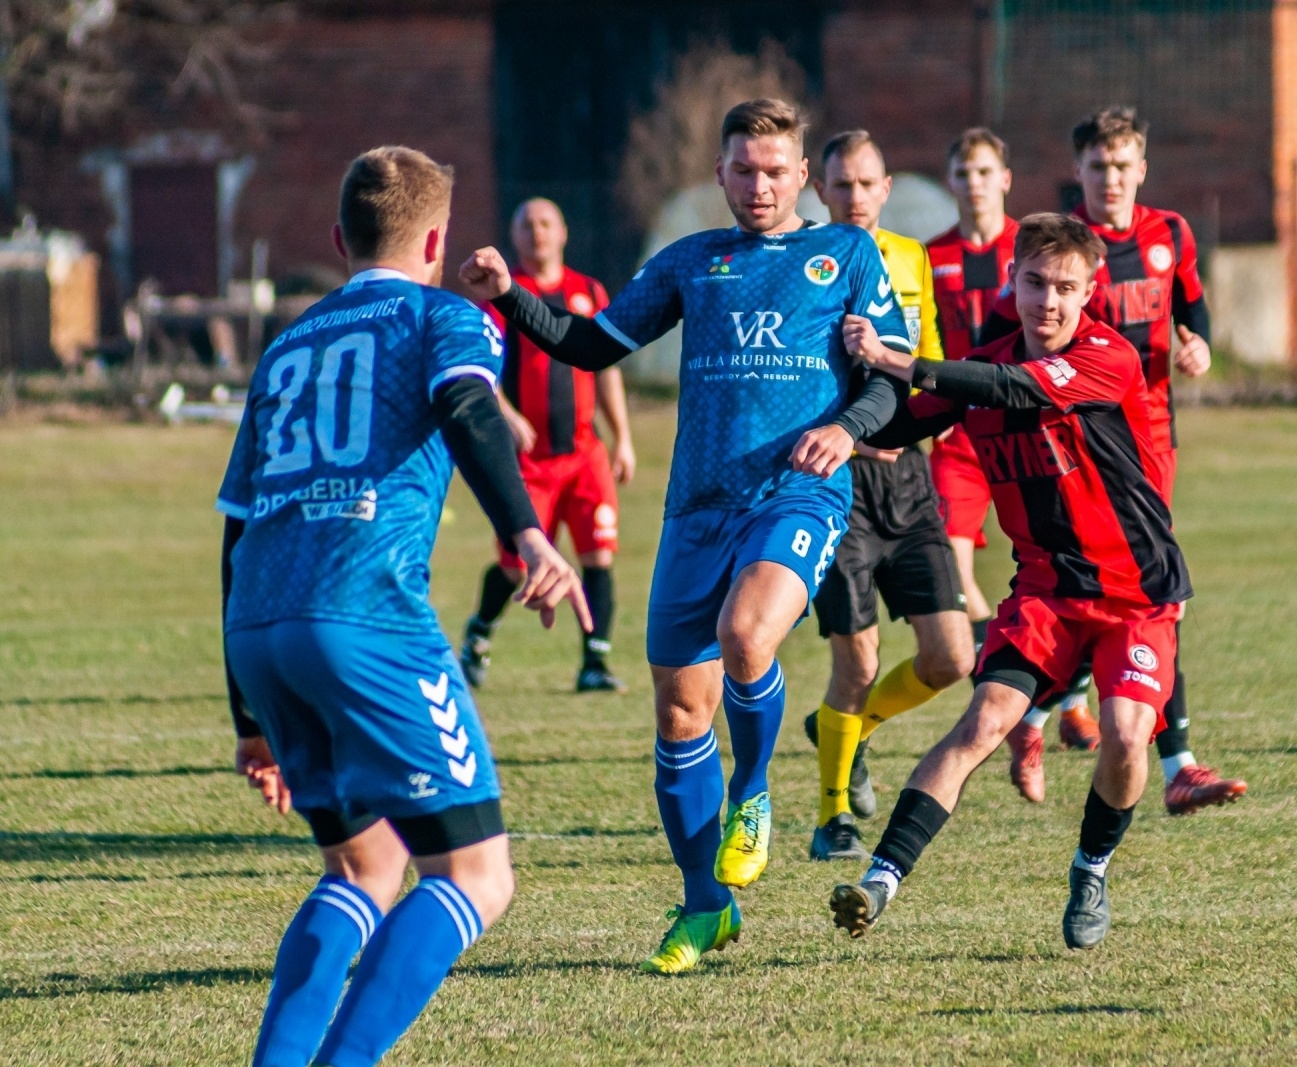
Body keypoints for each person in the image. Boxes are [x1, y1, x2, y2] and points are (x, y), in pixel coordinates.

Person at [458, 99, 912, 974]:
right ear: (719, 174)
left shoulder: (844, 253)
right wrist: (511, 296)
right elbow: (591, 345)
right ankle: (708, 906)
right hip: (695, 509)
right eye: (743, 169)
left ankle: (753, 793)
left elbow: (889, 381)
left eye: (776, 170)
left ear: (804, 177)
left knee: (748, 635)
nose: (759, 185)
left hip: (797, 493)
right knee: (676, 712)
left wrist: (849, 428)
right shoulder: (692, 263)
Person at [218, 146, 590, 1066]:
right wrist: (529, 534)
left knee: (366, 865)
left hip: (260, 626)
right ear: (436, 239)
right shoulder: (444, 315)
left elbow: (233, 531)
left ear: (340, 238)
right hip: (365, 616)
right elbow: (468, 406)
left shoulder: (285, 344)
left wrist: (248, 716)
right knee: (474, 873)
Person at [827, 211, 1188, 952]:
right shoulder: (986, 364)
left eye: (1064, 288)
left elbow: (1007, 388)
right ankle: (879, 879)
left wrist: (903, 360)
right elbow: (897, 426)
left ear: (1089, 293)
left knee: (1123, 738)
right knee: (982, 722)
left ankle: (1090, 867)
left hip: (1135, 594)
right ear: (1014, 281)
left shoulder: (1104, 358)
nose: (1047, 301)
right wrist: (836, 409)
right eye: (1034, 283)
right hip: (1046, 591)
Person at [979, 107, 1247, 815]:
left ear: (1143, 169)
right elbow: (997, 340)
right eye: (1099, 167)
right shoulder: (1059, 250)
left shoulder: (1172, 234)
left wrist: (1200, 346)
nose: (1112, 179)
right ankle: (1145, 751)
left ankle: (1110, 741)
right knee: (1107, 586)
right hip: (1071, 445)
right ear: (1079, 172)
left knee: (1147, 590)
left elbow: (1194, 309)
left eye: (1124, 165)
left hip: (1151, 436)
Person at [802, 129, 975, 862]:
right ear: (821, 191)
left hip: (910, 480)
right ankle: (834, 813)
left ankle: (845, 728)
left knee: (951, 657)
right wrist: (846, 430)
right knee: (858, 662)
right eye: (842, 185)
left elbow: (926, 350)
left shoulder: (910, 258)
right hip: (837, 479)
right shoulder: (798, 265)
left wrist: (922, 423)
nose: (856, 197)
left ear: (886, 187)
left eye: (868, 184)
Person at [458, 197, 635, 694]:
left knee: (598, 554)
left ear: (563, 233)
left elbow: (606, 368)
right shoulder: (502, 293)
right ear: (514, 237)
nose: (537, 233)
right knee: (516, 564)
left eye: (545, 223)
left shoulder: (588, 290)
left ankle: (594, 663)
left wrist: (621, 439)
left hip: (585, 454)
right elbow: (479, 367)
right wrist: (508, 415)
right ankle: (478, 637)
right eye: (526, 225)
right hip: (528, 463)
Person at [925, 129, 1017, 657]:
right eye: (964, 174)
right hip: (957, 434)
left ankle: (1066, 700)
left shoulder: (1030, 247)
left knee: (1057, 566)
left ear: (1005, 179)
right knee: (952, 575)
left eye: (985, 172)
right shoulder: (932, 256)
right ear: (949, 182)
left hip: (1022, 423)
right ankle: (1008, 672)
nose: (974, 184)